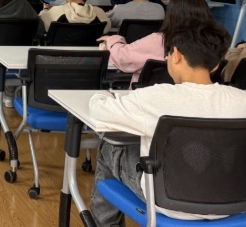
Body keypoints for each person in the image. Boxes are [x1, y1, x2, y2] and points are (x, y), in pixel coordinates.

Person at [89, 22, 246, 224]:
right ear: (216, 65)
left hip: (168, 203)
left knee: (108, 146)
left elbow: (99, 113)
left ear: (177, 55)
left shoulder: (156, 97)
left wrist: (102, 95)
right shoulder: (241, 99)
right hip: (234, 201)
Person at [98, 0, 214, 85]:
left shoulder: (159, 41)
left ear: (171, 13)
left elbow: (124, 58)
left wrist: (113, 40)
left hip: (148, 98)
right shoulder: (214, 45)